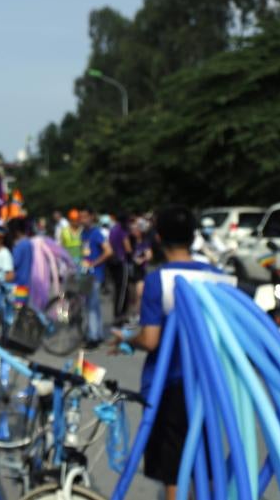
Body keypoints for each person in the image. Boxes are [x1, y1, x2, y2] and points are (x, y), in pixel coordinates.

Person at [110, 205, 234, 500]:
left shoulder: (159, 280)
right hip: (208, 383)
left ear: (158, 237)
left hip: (170, 385)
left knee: (174, 468)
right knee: (206, 460)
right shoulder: (217, 277)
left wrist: (128, 338)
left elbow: (151, 340)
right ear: (193, 236)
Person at [80, 208, 112, 348]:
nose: (83, 220)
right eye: (81, 217)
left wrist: (95, 263)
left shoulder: (96, 232)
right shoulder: (83, 233)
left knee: (92, 306)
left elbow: (108, 251)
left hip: (95, 273)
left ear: (91, 217)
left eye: (85, 217)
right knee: (92, 305)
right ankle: (97, 334)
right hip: (85, 272)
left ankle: (93, 337)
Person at [107, 212, 133, 324]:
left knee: (117, 288)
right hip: (122, 262)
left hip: (113, 262)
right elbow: (127, 247)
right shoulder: (122, 230)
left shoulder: (113, 229)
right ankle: (120, 315)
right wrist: (132, 256)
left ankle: (118, 313)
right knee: (123, 290)